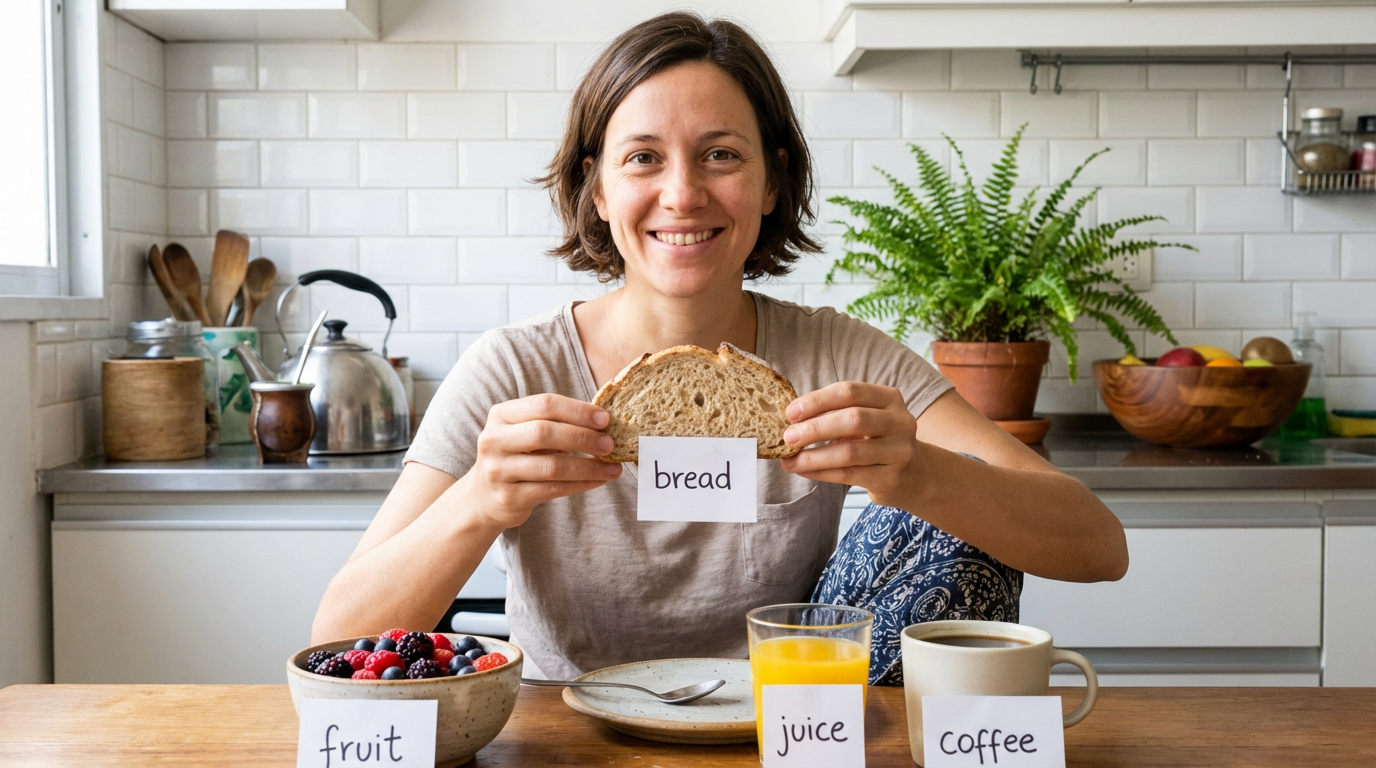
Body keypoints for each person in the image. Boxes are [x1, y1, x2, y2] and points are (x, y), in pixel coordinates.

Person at [311, 12, 1128, 683]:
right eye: (642, 159)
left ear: (772, 184)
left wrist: (919, 472)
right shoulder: (516, 372)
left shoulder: (838, 358)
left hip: (791, 732)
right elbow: (335, 636)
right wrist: (481, 500)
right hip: (571, 739)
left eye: (721, 155)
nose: (682, 194)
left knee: (958, 519)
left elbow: (1098, 545)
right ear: (596, 189)